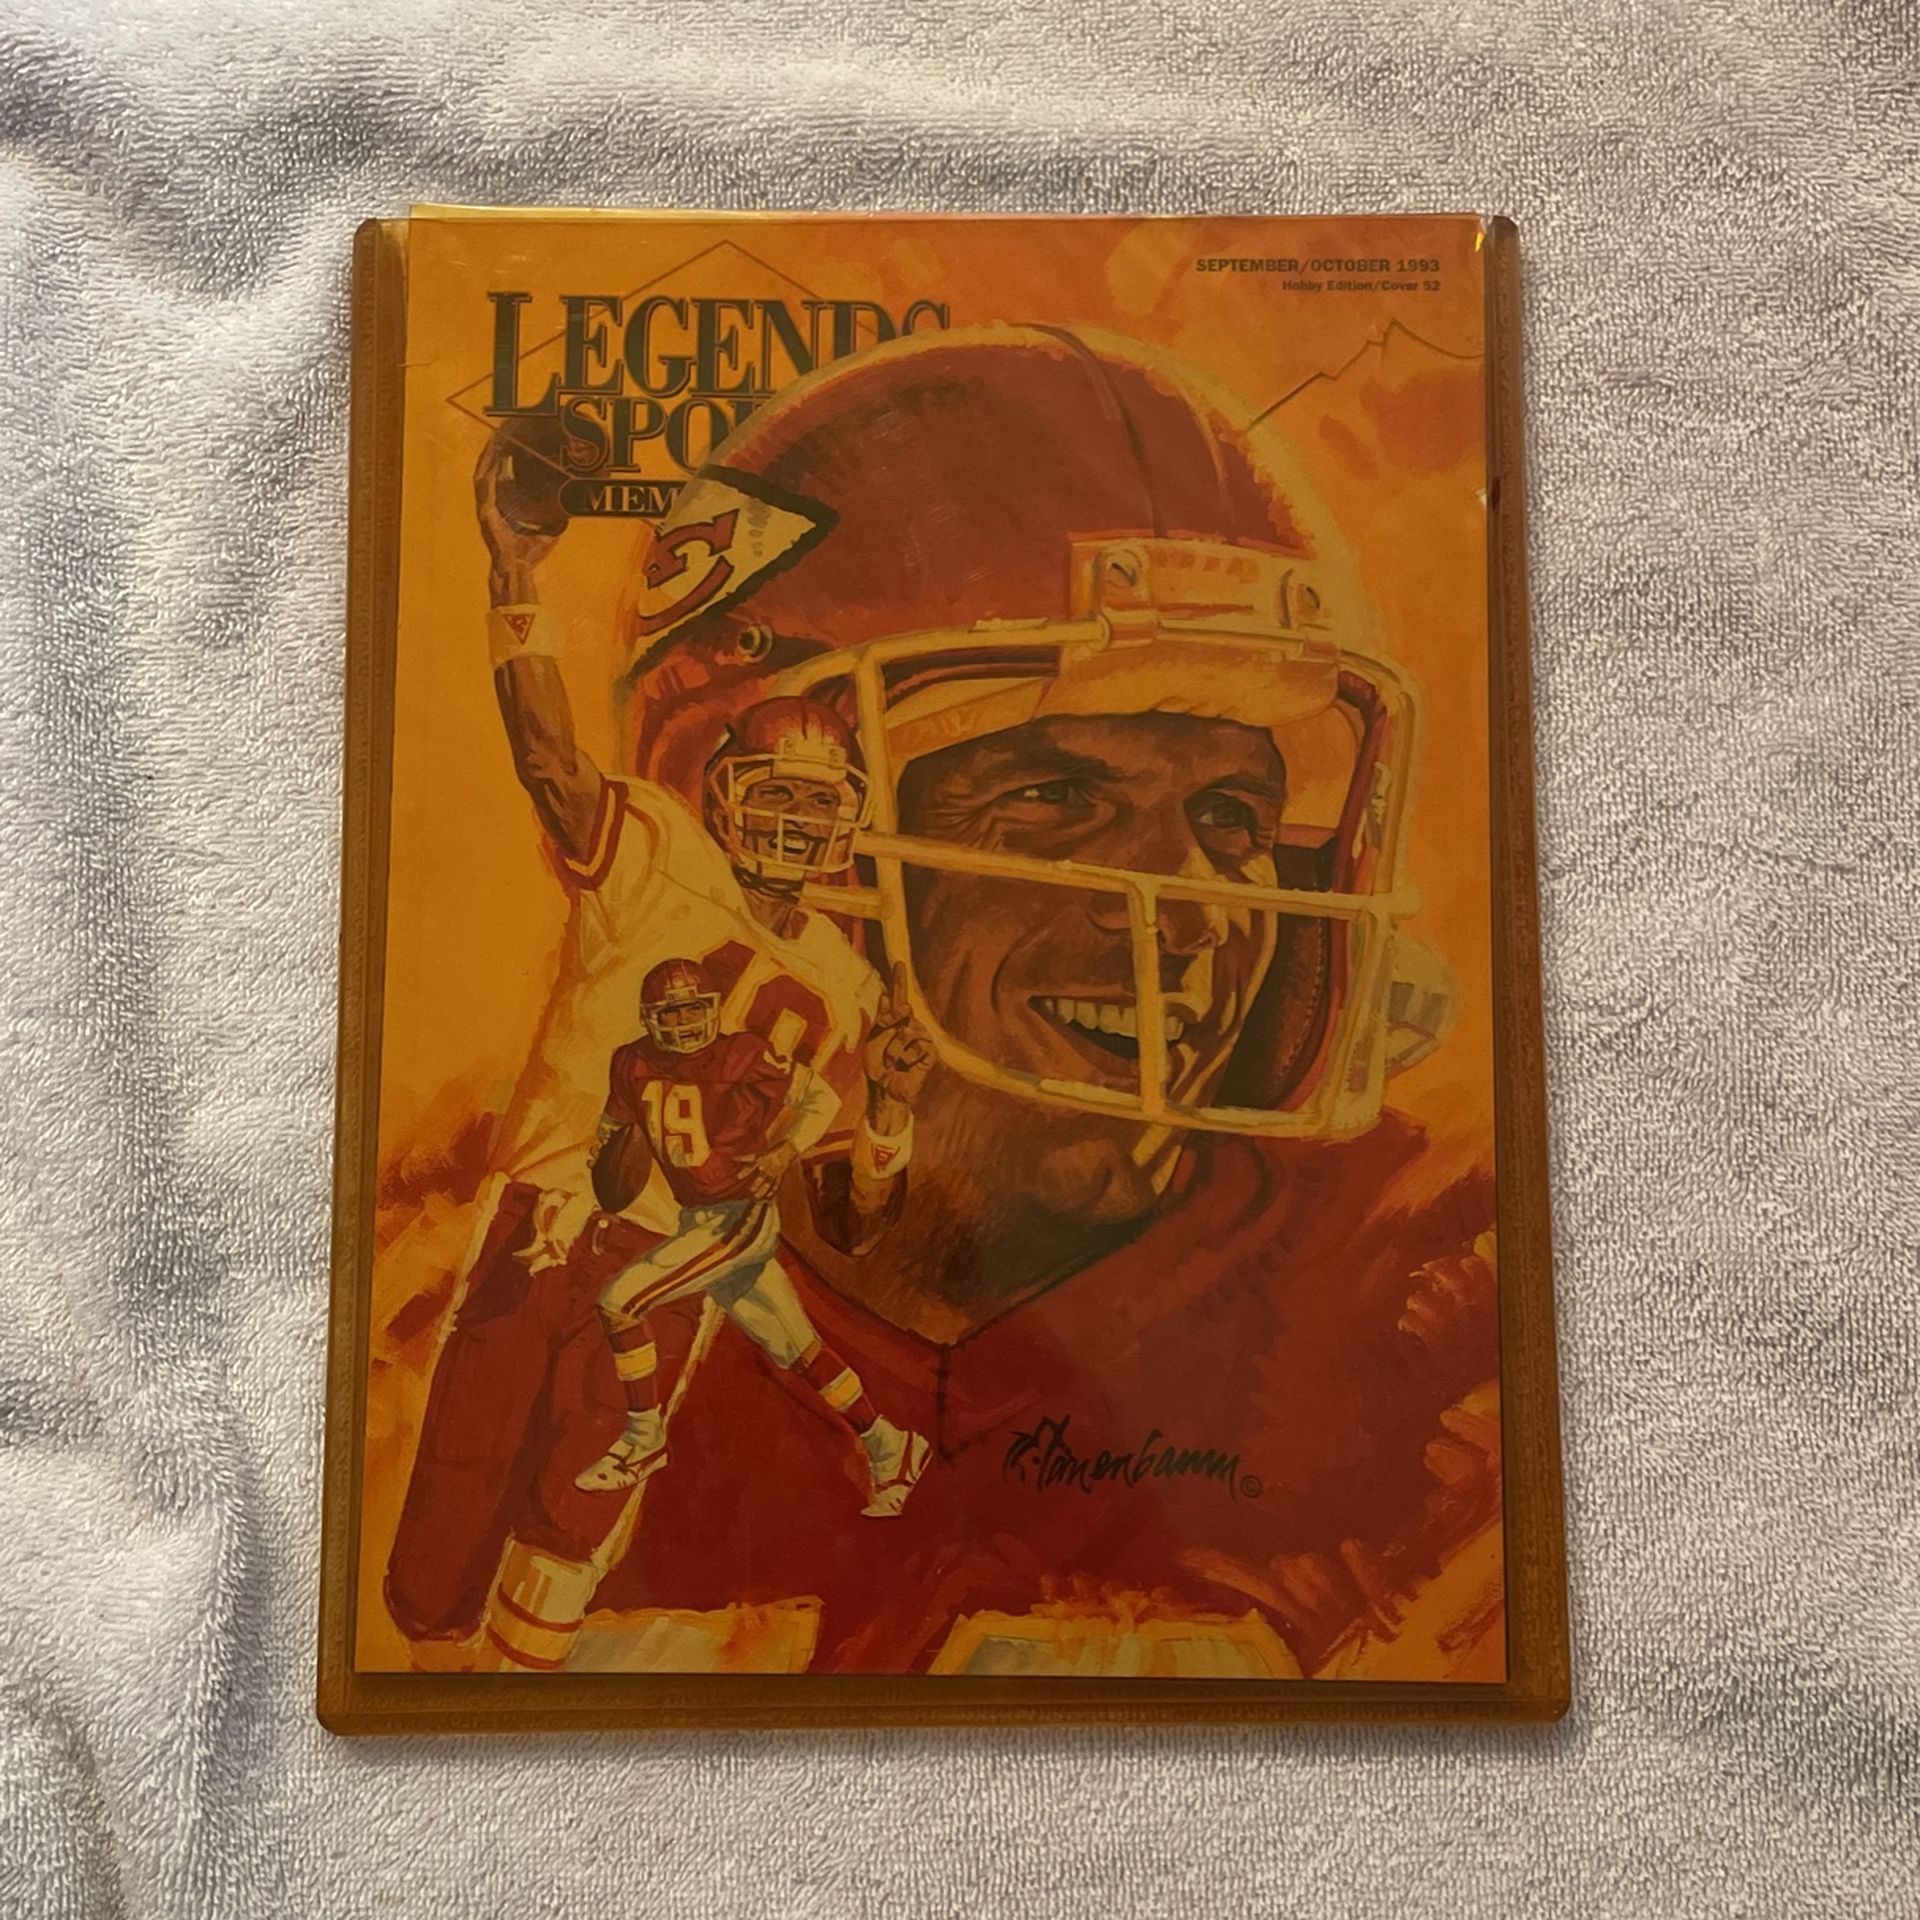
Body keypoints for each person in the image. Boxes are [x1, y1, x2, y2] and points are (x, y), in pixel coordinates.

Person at [575, 324, 1502, 1678]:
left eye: (1233, 816)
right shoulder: (576, 1315)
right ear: (764, 841)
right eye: (1059, 797)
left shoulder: (1419, 1314)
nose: (1192, 908)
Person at [381, 437, 934, 1667]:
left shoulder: (845, 988)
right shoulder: (657, 853)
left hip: (672, 1262)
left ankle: (509, 1712)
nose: (792, 820)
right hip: (547, 1219)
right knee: (449, 1514)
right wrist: (514, 580)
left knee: (574, 1515)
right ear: (724, 793)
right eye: (773, 792)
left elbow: (850, 1221)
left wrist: (893, 1109)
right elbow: (547, 761)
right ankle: (422, 1689)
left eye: (818, 803)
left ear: (847, 824)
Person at [573, 953, 929, 1512]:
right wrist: (604, 1186)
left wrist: (784, 1152)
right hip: (698, 1217)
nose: (685, 1023)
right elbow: (613, 1137)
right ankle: (891, 1444)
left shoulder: (743, 1053)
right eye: (671, 1013)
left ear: (713, 1009)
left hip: (739, 1213)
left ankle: (643, 1440)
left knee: (619, 1302)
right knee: (799, 1349)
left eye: (694, 1009)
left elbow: (822, 1097)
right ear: (648, 1019)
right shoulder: (631, 1062)